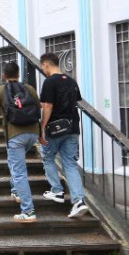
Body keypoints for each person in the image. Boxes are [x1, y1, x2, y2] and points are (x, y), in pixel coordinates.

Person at [0, 62, 41, 222]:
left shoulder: (0, 91)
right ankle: (17, 191)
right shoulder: (29, 89)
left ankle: (28, 211)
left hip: (15, 135)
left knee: (19, 172)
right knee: (14, 162)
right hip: (32, 134)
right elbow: (38, 110)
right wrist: (41, 134)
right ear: (18, 74)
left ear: (3, 75)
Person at [39, 53, 90, 218]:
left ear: (46, 64)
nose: (43, 70)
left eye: (42, 67)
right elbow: (75, 102)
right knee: (70, 164)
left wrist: (42, 126)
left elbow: (48, 105)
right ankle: (78, 201)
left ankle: (57, 191)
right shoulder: (71, 81)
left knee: (47, 157)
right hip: (72, 127)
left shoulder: (49, 82)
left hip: (55, 128)